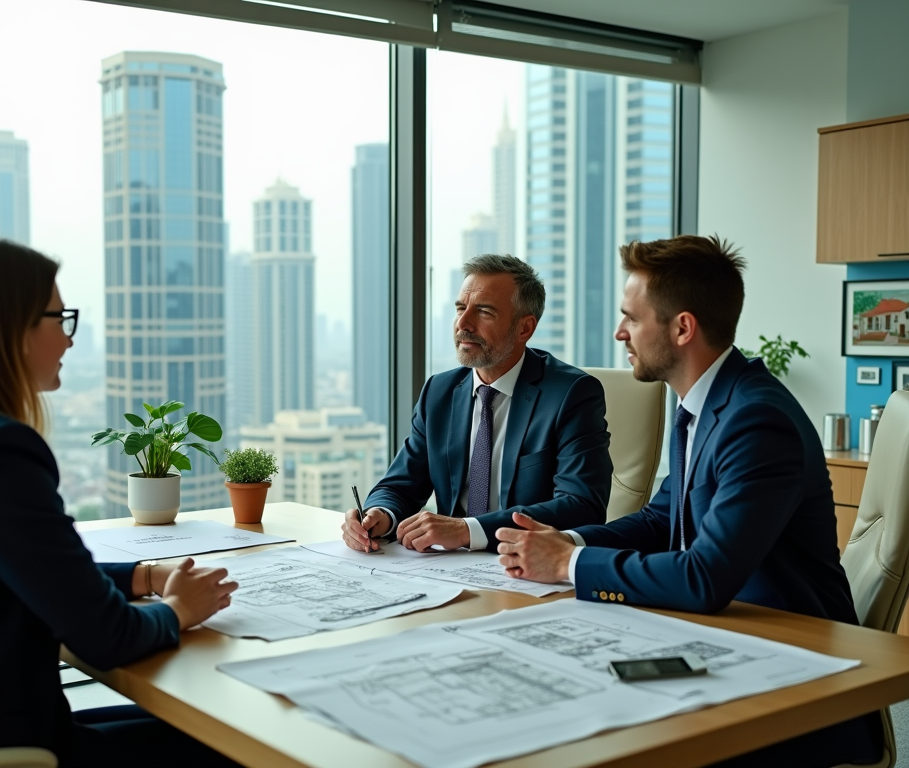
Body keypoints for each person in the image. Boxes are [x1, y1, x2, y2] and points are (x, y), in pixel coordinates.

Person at [495, 234, 883, 767]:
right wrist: (570, 540)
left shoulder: (756, 420)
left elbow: (705, 576)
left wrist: (569, 563)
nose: (619, 332)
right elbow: (661, 519)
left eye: (632, 317)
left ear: (682, 327)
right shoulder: (702, 406)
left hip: (793, 685)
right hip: (721, 640)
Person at [0, 235, 239, 767]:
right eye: (60, 318)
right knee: (229, 744)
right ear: (10, 331)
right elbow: (108, 638)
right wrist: (179, 610)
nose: (70, 340)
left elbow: (34, 569)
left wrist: (143, 574)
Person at [342, 254, 612, 554]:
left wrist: (468, 530)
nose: (463, 323)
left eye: (483, 311)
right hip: (448, 570)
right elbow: (399, 486)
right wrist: (381, 515)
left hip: (528, 568)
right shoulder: (439, 391)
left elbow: (582, 505)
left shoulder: (571, 394)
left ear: (525, 328)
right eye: (460, 308)